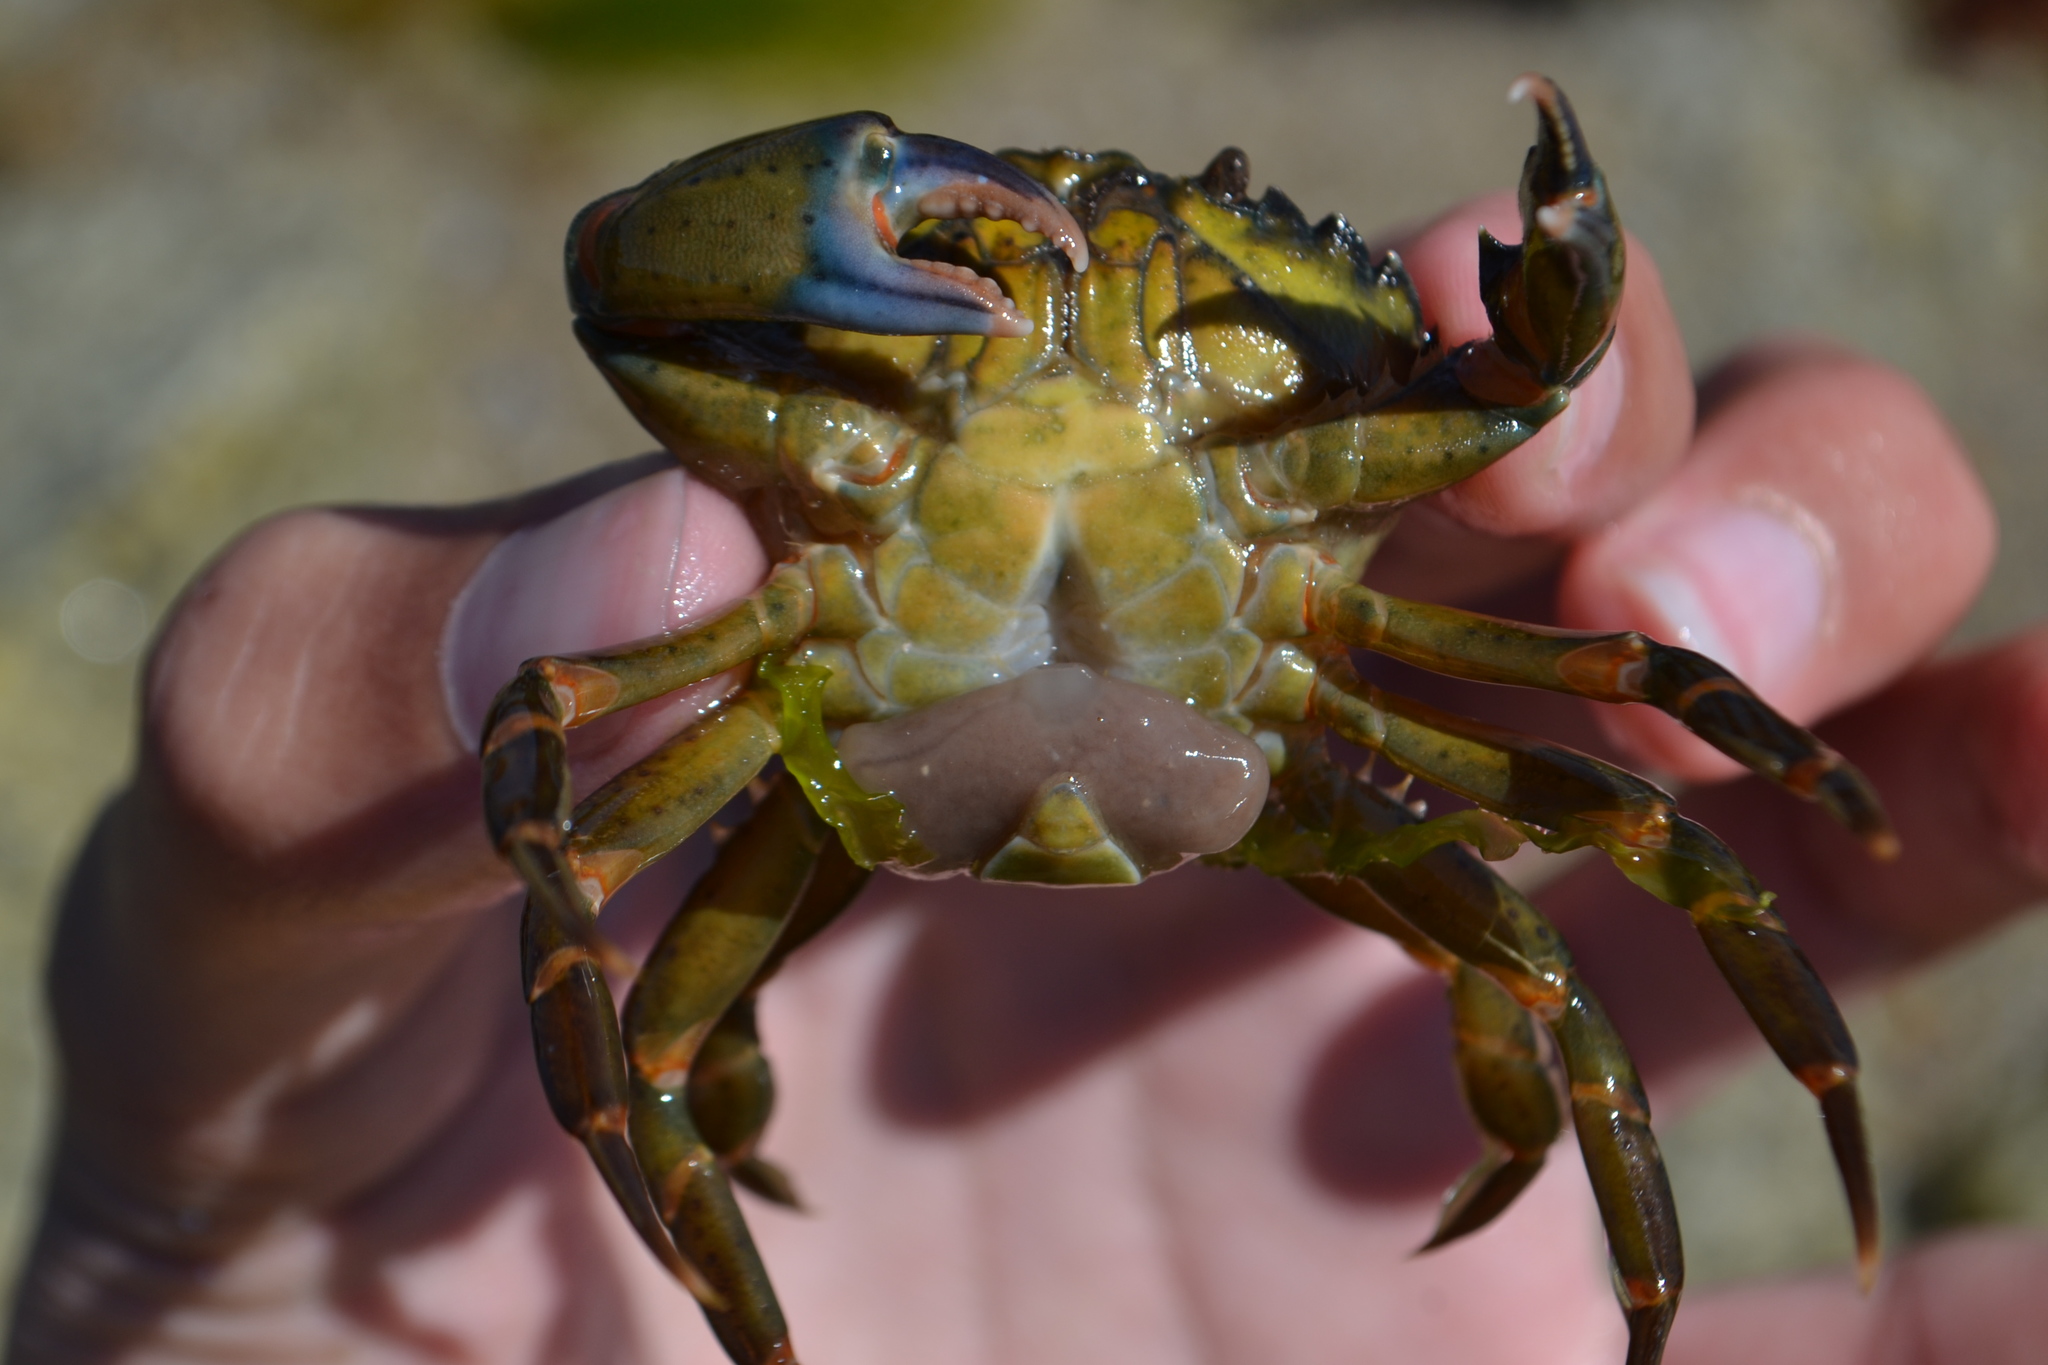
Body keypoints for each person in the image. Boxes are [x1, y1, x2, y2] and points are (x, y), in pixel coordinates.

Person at [8, 194, 2045, 1365]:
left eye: (1199, 263)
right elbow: (631, 274)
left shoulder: (1361, 487)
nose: (1097, 302)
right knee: (627, 998)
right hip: (824, 769)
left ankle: (1631, 1246)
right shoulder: (747, 551)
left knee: (1611, 872)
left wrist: (1797, 772)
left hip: (1263, 747)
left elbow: (1597, 580)